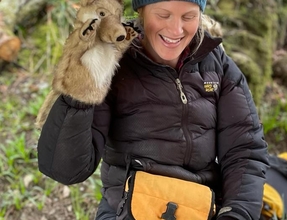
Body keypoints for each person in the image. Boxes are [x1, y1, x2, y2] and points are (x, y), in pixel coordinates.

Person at [37, 0, 269, 219]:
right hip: (127, 208)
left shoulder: (216, 63)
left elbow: (244, 148)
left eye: (188, 16)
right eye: (163, 15)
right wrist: (81, 88)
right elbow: (65, 169)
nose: (176, 29)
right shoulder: (114, 62)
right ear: (142, 11)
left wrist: (236, 212)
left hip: (199, 206)